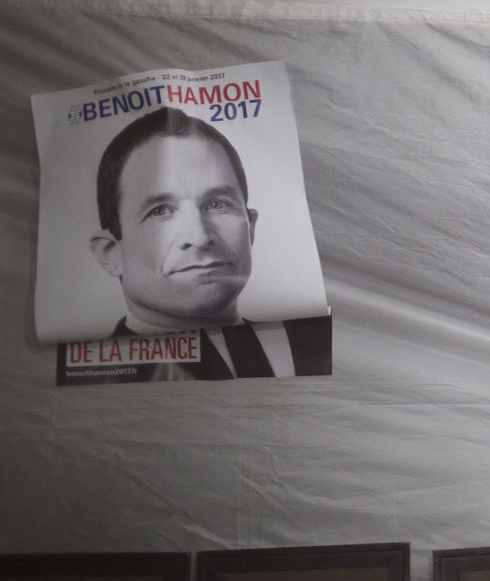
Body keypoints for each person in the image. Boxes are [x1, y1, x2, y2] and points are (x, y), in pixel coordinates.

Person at [86, 106, 330, 379]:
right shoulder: (96, 378)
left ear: (251, 228)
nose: (200, 237)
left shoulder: (314, 344)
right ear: (110, 253)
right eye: (160, 211)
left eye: (217, 204)